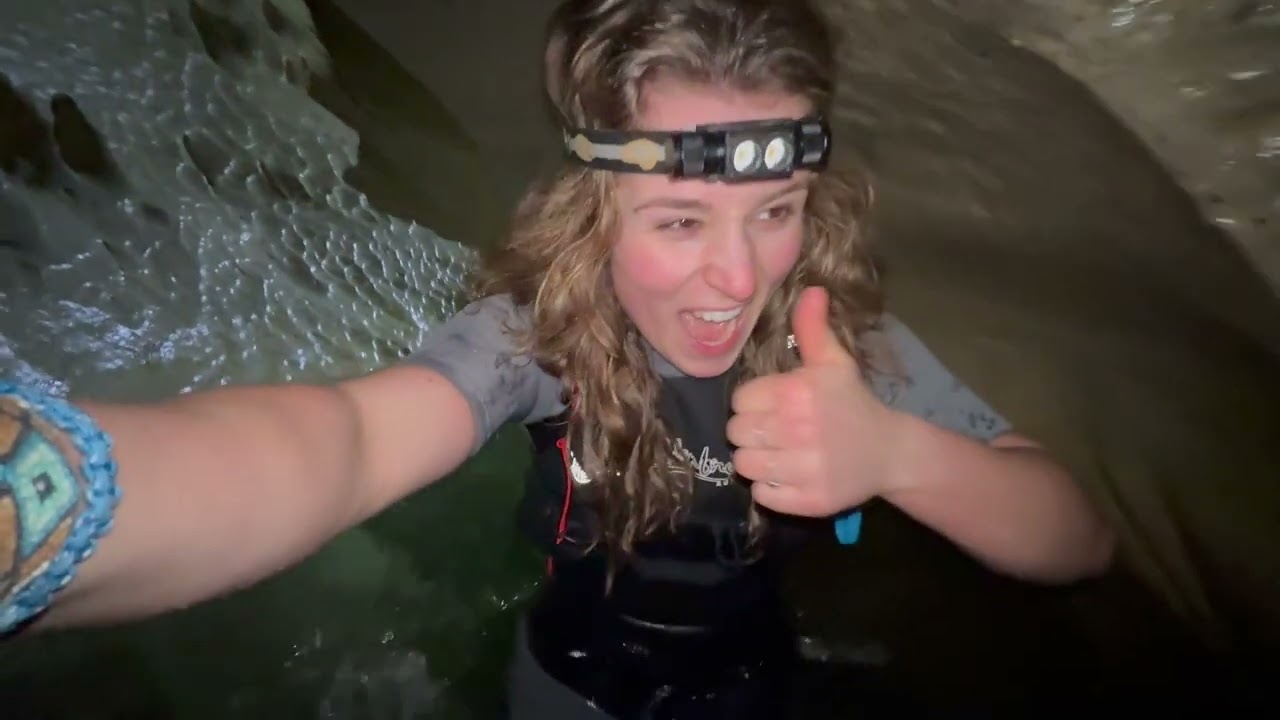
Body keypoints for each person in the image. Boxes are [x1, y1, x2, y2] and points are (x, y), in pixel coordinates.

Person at [0, 0, 1115, 716]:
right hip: (575, 690)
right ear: (595, 209)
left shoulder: (837, 340)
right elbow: (343, 442)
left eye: (774, 210)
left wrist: (897, 452)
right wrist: (42, 497)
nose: (738, 276)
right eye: (679, 222)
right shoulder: (534, 335)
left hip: (756, 673)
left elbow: (1076, 538)